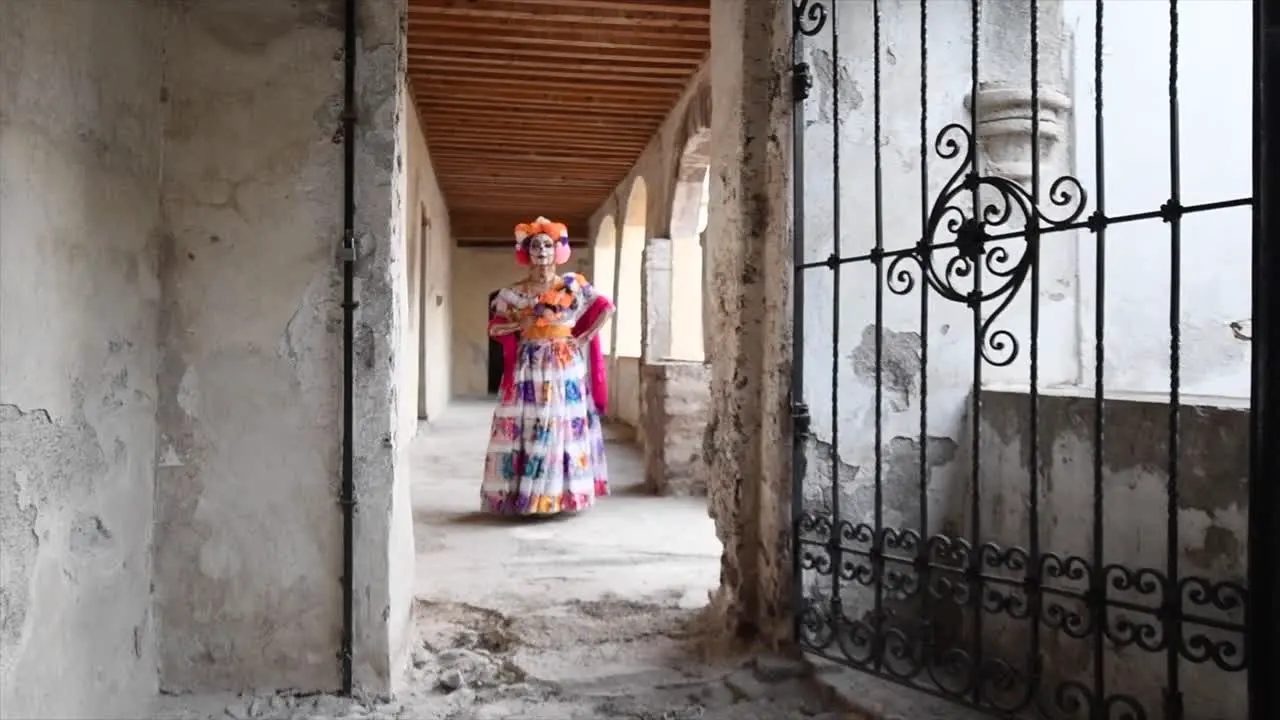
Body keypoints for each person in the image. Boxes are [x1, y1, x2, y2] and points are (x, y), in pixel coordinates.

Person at [482, 217, 615, 516]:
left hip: (564, 362)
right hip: (529, 362)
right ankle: (528, 496)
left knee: (560, 423)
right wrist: (519, 322)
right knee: (531, 423)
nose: (541, 250)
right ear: (525, 253)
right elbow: (494, 329)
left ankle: (561, 497)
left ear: (558, 250)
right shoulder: (512, 294)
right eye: (534, 246)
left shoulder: (573, 286)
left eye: (547, 244)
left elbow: (606, 307)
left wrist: (586, 337)